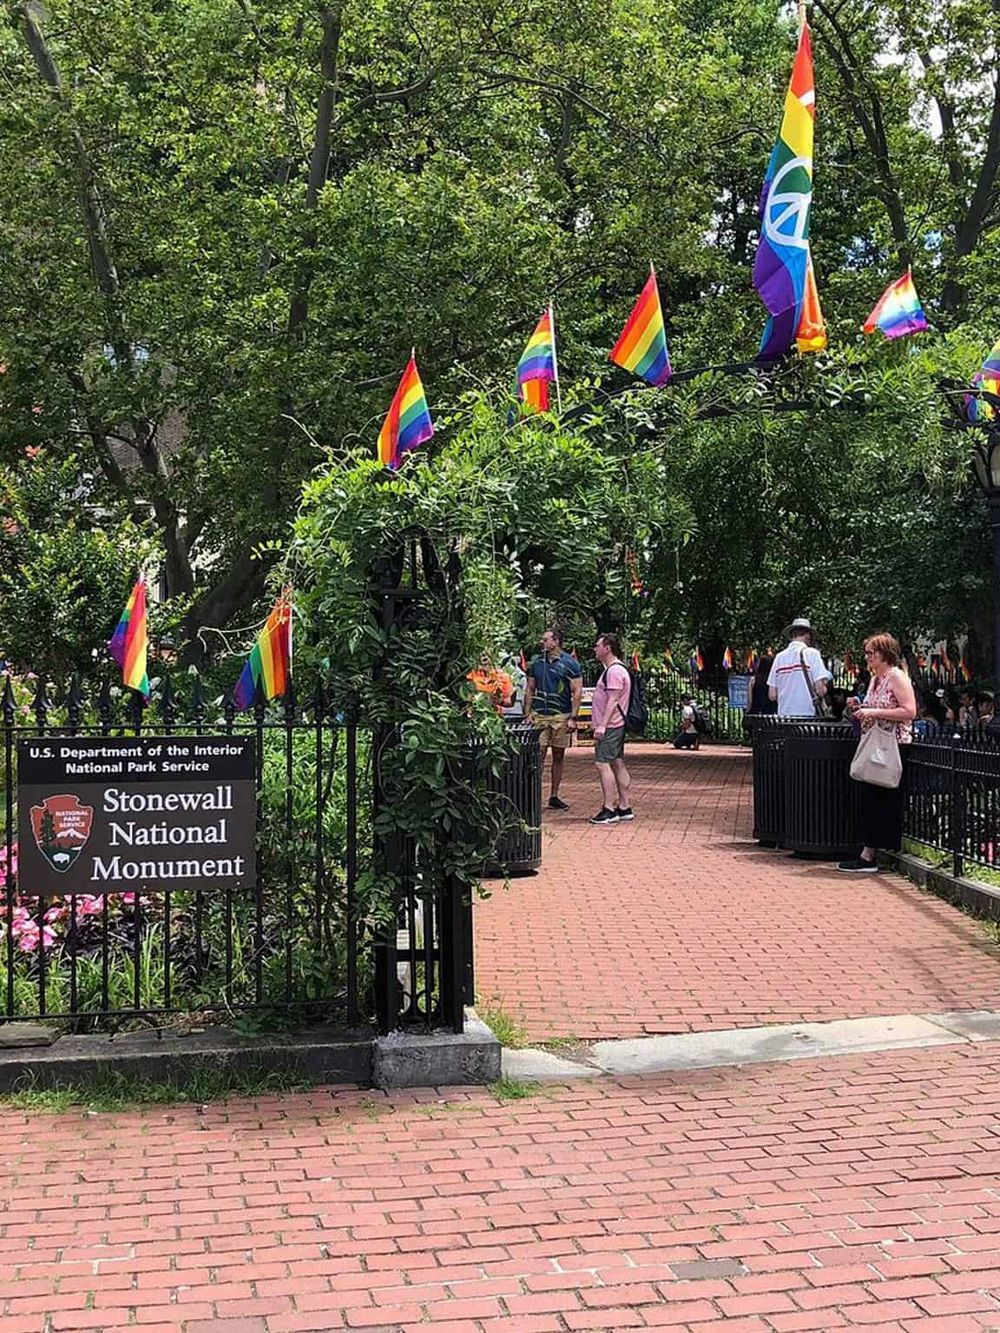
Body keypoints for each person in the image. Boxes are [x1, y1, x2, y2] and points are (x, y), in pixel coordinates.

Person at [839, 632, 917, 873]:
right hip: (875, 743)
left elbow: (909, 711)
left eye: (871, 653)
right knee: (870, 795)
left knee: (882, 796)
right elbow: (875, 707)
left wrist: (874, 713)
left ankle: (870, 853)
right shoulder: (875, 680)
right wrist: (861, 707)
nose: (867, 658)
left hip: (893, 744)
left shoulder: (897, 677)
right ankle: (870, 850)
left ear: (884, 654)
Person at [523, 627, 583, 811]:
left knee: (558, 755)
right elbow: (530, 689)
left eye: (545, 639)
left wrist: (573, 717)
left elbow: (577, 691)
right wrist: (527, 713)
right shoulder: (536, 663)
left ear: (556, 641)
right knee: (538, 754)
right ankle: (534, 795)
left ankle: (554, 795)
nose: (542, 643)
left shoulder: (570, 664)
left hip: (560, 714)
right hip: (540, 714)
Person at [589, 632, 633, 824]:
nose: (595, 649)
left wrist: (602, 726)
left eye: (598, 645)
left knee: (602, 763)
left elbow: (613, 701)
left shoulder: (614, 671)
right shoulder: (617, 669)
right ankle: (624, 806)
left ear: (607, 648)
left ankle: (609, 808)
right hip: (615, 725)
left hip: (610, 726)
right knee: (617, 762)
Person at [767, 617, 832, 716]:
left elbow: (772, 695)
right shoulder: (812, 654)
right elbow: (820, 691)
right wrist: (825, 685)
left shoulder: (779, 658)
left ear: (792, 635)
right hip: (807, 718)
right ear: (807, 635)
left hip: (784, 718)